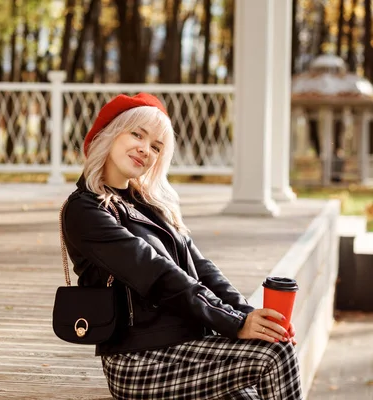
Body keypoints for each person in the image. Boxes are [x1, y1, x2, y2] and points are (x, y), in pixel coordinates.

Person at [61, 93, 303, 399]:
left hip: (187, 346)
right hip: (139, 362)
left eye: (156, 147)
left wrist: (250, 317)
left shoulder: (150, 205)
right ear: (109, 132)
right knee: (273, 356)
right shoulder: (85, 211)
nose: (144, 149)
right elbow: (158, 273)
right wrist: (234, 322)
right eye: (137, 134)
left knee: (264, 363)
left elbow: (203, 270)